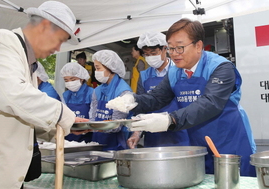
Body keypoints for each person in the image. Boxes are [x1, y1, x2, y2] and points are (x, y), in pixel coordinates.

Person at [106, 18, 256, 177]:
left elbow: (210, 103)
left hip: (230, 144)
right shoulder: (175, 72)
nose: (174, 54)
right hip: (198, 145)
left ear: (198, 46)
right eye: (171, 48)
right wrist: (132, 100)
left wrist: (170, 120)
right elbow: (156, 98)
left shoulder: (220, 67)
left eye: (180, 48)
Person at [0, 0, 88, 189]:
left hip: (4, 175)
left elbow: (23, 118)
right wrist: (63, 114)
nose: (58, 49)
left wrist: (59, 128)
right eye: (60, 40)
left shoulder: (28, 64)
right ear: (44, 26)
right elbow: (13, 96)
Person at [127, 31, 189, 149]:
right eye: (146, 54)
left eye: (153, 53)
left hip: (180, 134)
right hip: (153, 136)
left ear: (165, 49)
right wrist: (136, 133)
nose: (150, 57)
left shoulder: (180, 71)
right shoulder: (144, 75)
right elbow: (142, 107)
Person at [89, 49, 132, 151]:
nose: (96, 72)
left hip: (116, 144)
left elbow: (116, 125)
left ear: (110, 67)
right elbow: (93, 116)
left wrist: (94, 126)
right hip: (97, 141)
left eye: (98, 68)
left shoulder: (124, 92)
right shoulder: (97, 91)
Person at [60, 62, 94, 143]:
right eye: (66, 80)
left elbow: (94, 118)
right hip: (68, 138)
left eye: (72, 79)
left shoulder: (92, 93)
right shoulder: (65, 95)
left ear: (82, 78)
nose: (69, 83)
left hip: (87, 138)